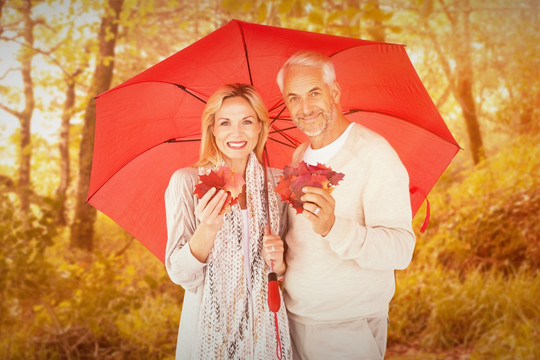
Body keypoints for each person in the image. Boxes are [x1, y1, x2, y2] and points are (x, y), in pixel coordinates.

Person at [276, 50, 416, 359]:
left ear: (335, 92)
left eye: (314, 93)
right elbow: (302, 244)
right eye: (294, 98)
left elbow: (401, 249)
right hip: (294, 318)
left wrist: (335, 227)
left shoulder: (374, 154)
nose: (306, 108)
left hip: (346, 328)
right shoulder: (299, 157)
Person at [164, 83, 292, 359]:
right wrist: (208, 228)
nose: (236, 133)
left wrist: (279, 261)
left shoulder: (276, 183)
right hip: (206, 328)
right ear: (212, 129)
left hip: (267, 329)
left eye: (247, 121)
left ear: (260, 126)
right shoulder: (187, 183)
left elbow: (280, 270)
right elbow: (181, 275)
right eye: (225, 123)